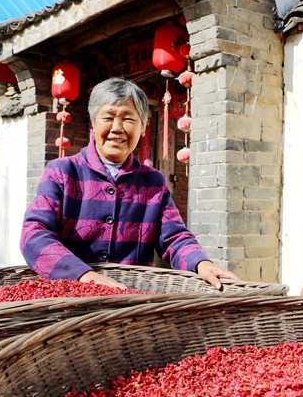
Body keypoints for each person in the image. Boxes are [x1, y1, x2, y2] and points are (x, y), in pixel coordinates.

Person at [20, 77, 238, 290]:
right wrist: (83, 275)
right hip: (70, 300)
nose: (117, 128)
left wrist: (201, 263)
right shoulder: (63, 172)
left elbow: (174, 237)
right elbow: (34, 234)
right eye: (108, 117)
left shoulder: (153, 182)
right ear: (93, 124)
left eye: (128, 118)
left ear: (142, 127)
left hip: (129, 305)